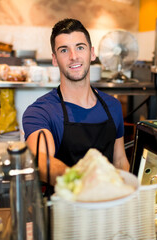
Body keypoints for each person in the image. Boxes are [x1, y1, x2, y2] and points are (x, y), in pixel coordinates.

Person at [22, 18, 130, 187]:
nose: (74, 57)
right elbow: (41, 161)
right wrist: (84, 185)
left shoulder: (113, 106)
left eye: (80, 47)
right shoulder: (41, 111)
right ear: (55, 59)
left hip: (108, 206)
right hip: (64, 210)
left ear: (92, 53)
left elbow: (120, 160)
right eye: (64, 50)